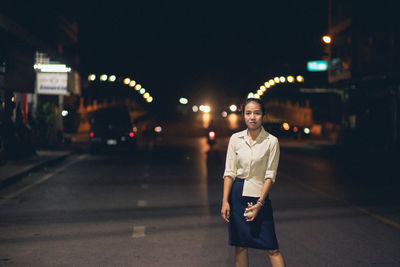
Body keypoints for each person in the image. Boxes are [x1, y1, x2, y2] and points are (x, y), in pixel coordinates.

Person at [221, 98, 285, 267]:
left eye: (257, 113)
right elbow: (229, 172)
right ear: (243, 115)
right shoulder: (235, 139)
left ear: (263, 115)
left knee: (272, 248)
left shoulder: (272, 141)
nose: (252, 117)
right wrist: (225, 201)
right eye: (248, 113)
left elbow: (270, 175)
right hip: (237, 196)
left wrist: (260, 203)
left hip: (260, 196)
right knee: (240, 247)